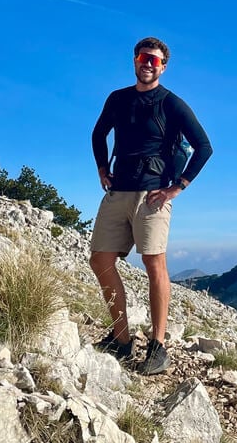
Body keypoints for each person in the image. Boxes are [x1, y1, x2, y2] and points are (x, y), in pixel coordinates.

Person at [88, 37, 213, 375]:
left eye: (155, 61)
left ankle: (158, 347)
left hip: (152, 195)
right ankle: (122, 339)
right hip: (118, 191)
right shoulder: (118, 99)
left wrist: (177, 187)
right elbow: (98, 134)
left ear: (163, 67)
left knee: (153, 263)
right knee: (100, 259)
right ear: (134, 60)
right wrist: (102, 168)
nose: (148, 64)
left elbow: (204, 147)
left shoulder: (172, 103)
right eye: (144, 58)